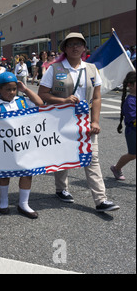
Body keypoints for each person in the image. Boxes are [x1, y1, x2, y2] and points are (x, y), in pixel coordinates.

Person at [38, 32, 120, 212]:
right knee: (63, 156)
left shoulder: (91, 69)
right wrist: (63, 100)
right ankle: (61, 189)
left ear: (84, 48)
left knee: (92, 158)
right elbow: (42, 95)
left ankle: (101, 200)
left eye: (79, 44)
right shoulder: (54, 68)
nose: (75, 47)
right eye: (71, 44)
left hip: (85, 122)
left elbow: (97, 98)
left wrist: (96, 121)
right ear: (65, 49)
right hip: (60, 121)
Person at [0, 72, 43, 219]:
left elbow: (40, 103)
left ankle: (23, 203)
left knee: (27, 172)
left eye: (14, 89)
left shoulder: (22, 101)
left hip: (23, 145)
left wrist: (25, 90)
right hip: (4, 147)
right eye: (8, 89)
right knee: (5, 173)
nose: (12, 92)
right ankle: (4, 200)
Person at [110, 71, 136, 180]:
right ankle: (116, 168)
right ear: (130, 85)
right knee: (132, 155)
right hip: (133, 132)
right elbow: (133, 119)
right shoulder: (130, 101)